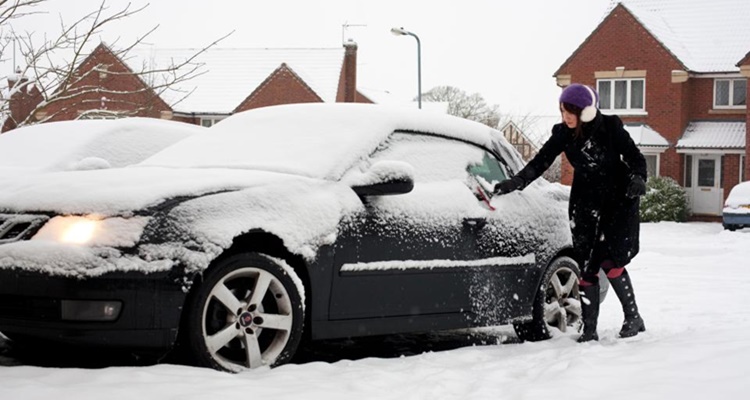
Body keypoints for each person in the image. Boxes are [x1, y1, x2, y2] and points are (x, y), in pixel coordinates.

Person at [494, 83, 647, 342]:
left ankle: (633, 317)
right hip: (585, 204)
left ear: (585, 111)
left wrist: (638, 179)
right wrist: (518, 181)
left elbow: (636, 158)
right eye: (563, 110)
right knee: (587, 265)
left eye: (571, 111)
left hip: (617, 202)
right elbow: (540, 161)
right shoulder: (563, 133)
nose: (565, 116)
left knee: (611, 262)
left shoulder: (611, 127)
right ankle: (589, 330)